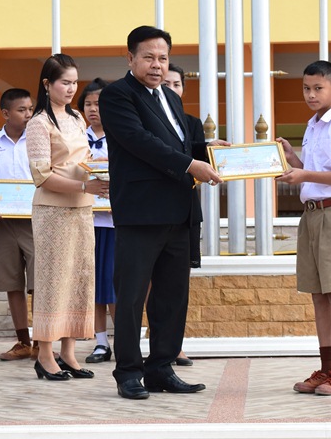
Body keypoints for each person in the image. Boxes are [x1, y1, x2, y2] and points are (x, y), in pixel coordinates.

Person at [100, 25, 225, 400]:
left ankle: (161, 368)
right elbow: (141, 142)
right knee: (131, 297)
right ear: (131, 58)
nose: (157, 65)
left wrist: (211, 152)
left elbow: (181, 145)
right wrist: (191, 164)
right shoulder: (117, 95)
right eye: (149, 57)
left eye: (163, 58)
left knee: (172, 296)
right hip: (140, 213)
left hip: (179, 211)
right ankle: (128, 372)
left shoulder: (170, 98)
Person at [277, 60, 331, 396]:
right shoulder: (312, 126)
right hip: (312, 214)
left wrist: (305, 174)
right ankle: (327, 369)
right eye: (306, 88)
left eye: (318, 88)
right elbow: (315, 172)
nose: (311, 95)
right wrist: (292, 160)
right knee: (318, 295)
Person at [26, 54, 110, 381]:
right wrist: (85, 184)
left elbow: (84, 160)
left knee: (79, 279)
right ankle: (45, 355)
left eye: (75, 82)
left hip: (82, 208)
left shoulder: (76, 117)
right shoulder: (38, 123)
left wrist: (101, 172)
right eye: (65, 82)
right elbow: (42, 176)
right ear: (47, 84)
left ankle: (69, 353)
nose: (71, 88)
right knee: (53, 281)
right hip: (52, 211)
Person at [0, 88, 38, 361]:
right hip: (2, 224)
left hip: (36, 221)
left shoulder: (39, 141)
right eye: (21, 110)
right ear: (5, 113)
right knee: (12, 283)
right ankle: (23, 342)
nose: (28, 114)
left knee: (39, 284)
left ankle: (42, 343)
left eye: (30, 109)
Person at [161, 63, 202, 367]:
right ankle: (154, 343)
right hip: (152, 212)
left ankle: (175, 345)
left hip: (185, 210)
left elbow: (200, 161)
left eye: (176, 84)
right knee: (148, 285)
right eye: (166, 84)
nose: (172, 89)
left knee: (177, 284)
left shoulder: (192, 123)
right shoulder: (145, 121)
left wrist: (213, 152)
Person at [76, 77, 116, 364]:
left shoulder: (121, 136)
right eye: (88, 104)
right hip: (86, 222)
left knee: (115, 286)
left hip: (115, 224)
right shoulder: (77, 139)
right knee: (94, 286)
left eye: (99, 104)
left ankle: (123, 341)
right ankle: (100, 342)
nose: (93, 109)